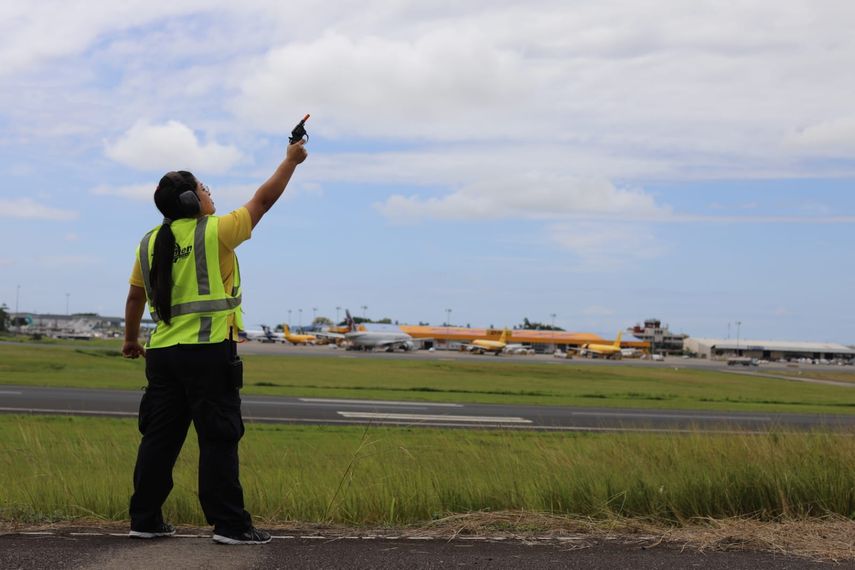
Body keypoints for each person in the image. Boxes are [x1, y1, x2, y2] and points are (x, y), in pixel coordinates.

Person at [122, 140, 308, 545]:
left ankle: (145, 518)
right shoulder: (217, 231)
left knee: (159, 438)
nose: (211, 193)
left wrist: (131, 339)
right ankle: (230, 525)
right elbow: (264, 199)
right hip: (208, 353)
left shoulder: (148, 243)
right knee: (219, 438)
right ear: (191, 200)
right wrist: (290, 161)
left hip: (163, 355)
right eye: (205, 188)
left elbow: (135, 296)